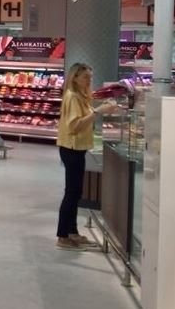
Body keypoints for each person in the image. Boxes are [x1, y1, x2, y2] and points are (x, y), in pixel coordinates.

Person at [56, 63, 121, 251]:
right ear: (75, 77)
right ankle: (62, 236)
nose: (89, 80)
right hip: (72, 147)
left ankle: (72, 232)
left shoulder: (80, 96)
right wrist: (99, 111)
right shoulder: (73, 97)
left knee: (75, 192)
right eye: (85, 77)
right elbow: (75, 126)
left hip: (76, 147)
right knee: (71, 193)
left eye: (90, 77)